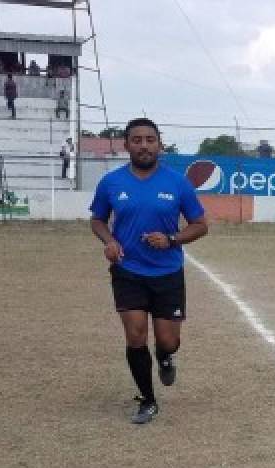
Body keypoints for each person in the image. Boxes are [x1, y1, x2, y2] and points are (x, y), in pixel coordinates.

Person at [89, 118, 209, 424]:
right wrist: (110, 240)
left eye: (150, 140)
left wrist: (171, 239)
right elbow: (98, 220)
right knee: (135, 335)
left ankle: (165, 356)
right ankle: (148, 399)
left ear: (160, 144)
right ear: (127, 145)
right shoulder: (111, 182)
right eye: (137, 140)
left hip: (167, 273)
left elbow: (200, 225)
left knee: (168, 340)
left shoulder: (177, 183)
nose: (144, 145)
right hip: (128, 270)